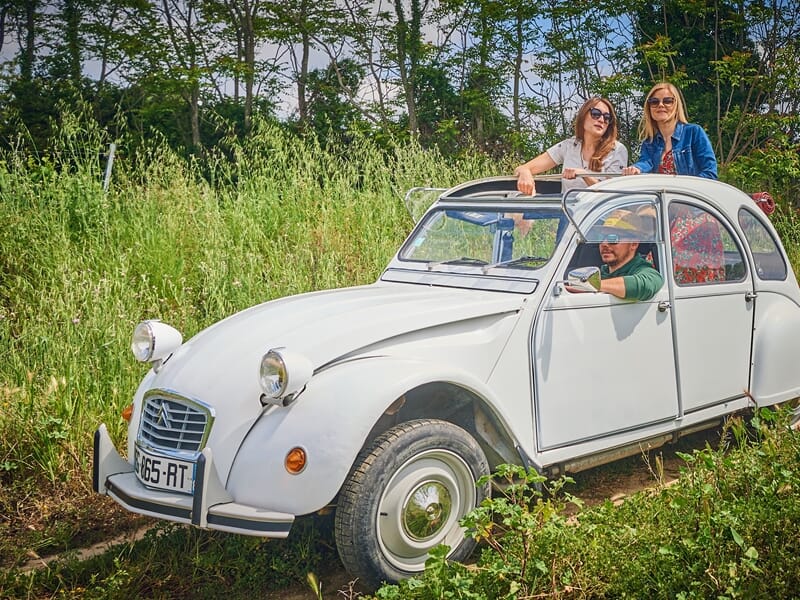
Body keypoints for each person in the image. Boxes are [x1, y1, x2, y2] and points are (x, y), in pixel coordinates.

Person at [514, 97, 628, 196]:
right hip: (568, 214)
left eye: (607, 117)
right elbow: (523, 168)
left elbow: (612, 195)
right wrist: (525, 173)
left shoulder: (617, 150)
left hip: (598, 216)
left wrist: (584, 174)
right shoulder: (569, 145)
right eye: (596, 114)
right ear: (583, 116)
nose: (601, 120)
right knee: (518, 207)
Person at [622, 82, 717, 178]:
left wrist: (685, 187)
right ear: (649, 108)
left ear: (676, 106)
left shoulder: (694, 133)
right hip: (659, 192)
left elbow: (710, 172)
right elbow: (645, 163)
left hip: (690, 192)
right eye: (654, 102)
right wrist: (635, 169)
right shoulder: (649, 143)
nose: (661, 105)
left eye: (667, 101)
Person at [569, 210, 663, 301]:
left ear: (634, 243)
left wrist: (592, 285)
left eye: (613, 238)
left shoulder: (644, 270)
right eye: (600, 238)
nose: (604, 243)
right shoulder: (601, 272)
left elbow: (647, 285)